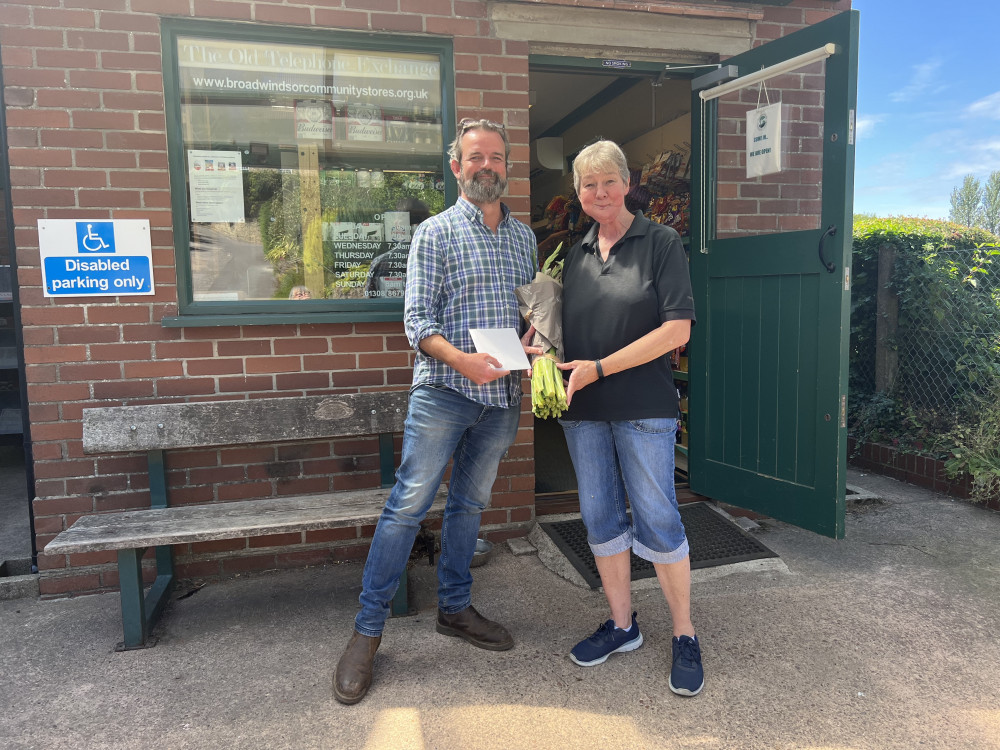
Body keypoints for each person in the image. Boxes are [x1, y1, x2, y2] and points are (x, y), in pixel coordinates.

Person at [333, 118, 541, 705]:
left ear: (506, 166)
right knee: (406, 508)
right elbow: (417, 323)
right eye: (475, 157)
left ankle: (454, 608)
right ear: (456, 167)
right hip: (446, 392)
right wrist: (465, 363)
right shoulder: (435, 234)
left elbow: (528, 314)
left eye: (496, 158)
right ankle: (367, 632)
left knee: (470, 506)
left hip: (501, 397)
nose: (486, 167)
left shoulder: (523, 239)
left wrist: (538, 339)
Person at [556, 140, 704, 697]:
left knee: (659, 520)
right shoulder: (575, 254)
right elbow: (565, 327)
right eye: (588, 185)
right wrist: (542, 346)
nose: (599, 193)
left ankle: (684, 635)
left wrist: (599, 368)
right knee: (599, 520)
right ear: (578, 194)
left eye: (608, 181)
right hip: (585, 411)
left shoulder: (661, 242)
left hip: (643, 407)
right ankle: (623, 626)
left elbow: (676, 331)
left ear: (627, 184)